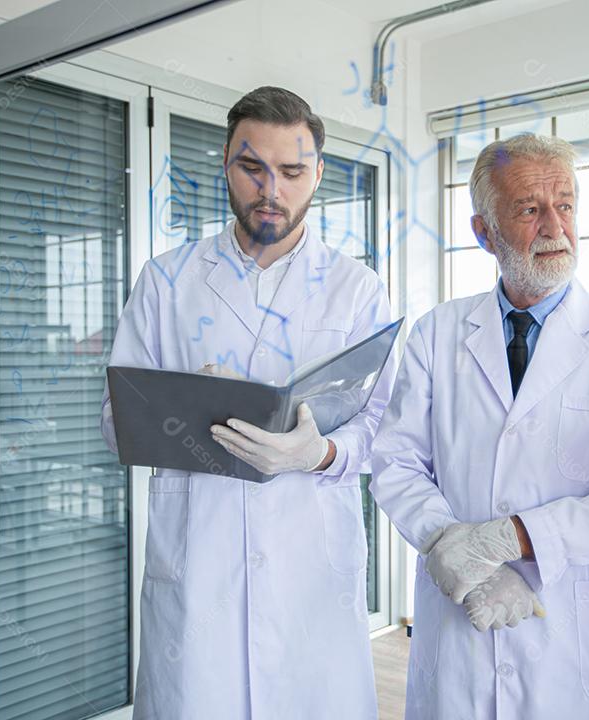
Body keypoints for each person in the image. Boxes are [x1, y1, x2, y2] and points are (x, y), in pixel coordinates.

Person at [100, 86, 392, 719]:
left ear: (317, 173)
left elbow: (387, 426)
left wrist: (320, 454)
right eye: (252, 167)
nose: (271, 190)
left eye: (291, 171)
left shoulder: (357, 290)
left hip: (310, 576)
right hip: (198, 568)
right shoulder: (166, 281)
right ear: (224, 165)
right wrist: (181, 410)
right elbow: (113, 419)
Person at [371, 134, 589, 719]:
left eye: (565, 205)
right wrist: (457, 553)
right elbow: (396, 461)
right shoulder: (439, 332)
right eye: (528, 209)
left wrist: (511, 541)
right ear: (484, 232)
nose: (554, 226)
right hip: (460, 628)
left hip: (572, 636)